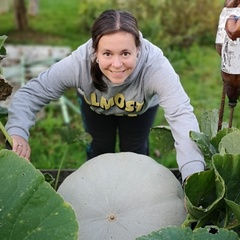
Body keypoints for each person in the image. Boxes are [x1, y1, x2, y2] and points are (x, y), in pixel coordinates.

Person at [5, 9, 205, 182]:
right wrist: (17, 131)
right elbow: (31, 93)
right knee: (99, 148)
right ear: (95, 52)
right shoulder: (79, 63)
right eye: (107, 54)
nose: (117, 64)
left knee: (135, 151)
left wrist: (192, 174)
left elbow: (181, 116)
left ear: (138, 49)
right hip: (96, 108)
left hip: (139, 110)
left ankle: (138, 197)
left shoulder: (156, 67)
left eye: (125, 53)